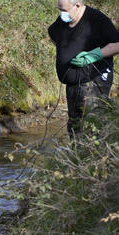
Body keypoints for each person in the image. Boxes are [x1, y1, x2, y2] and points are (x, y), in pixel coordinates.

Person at [48, 0, 119, 138]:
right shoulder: (64, 19)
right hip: (73, 83)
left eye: (64, 10)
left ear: (78, 6)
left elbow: (117, 44)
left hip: (93, 81)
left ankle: (92, 156)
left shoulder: (96, 20)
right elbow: (53, 34)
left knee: (90, 126)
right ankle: (76, 156)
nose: (62, 14)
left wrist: (94, 55)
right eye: (60, 10)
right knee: (74, 126)